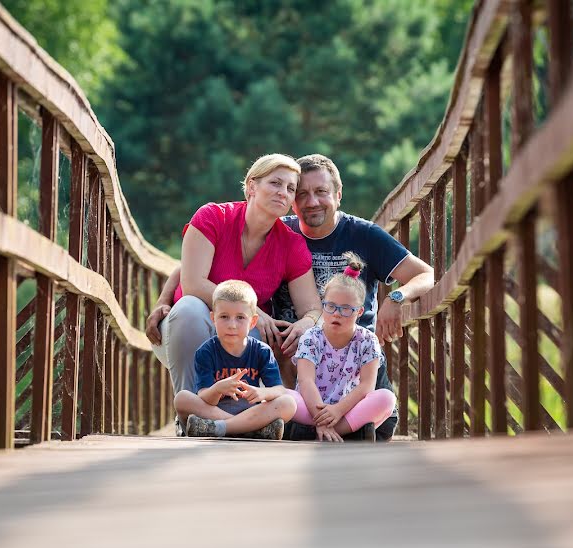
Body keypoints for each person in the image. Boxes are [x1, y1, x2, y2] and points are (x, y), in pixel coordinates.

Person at [273, 154, 436, 442]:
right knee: (281, 350)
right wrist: (165, 300)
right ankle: (320, 423)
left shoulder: (364, 235)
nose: (312, 201)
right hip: (296, 359)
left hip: (354, 362)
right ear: (292, 199)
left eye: (321, 192)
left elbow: (425, 274)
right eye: (302, 194)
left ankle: (319, 426)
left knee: (383, 416)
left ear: (338, 194)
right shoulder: (277, 230)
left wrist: (396, 297)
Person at [149, 154, 322, 399]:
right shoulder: (212, 217)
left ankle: (231, 416)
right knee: (189, 308)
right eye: (275, 183)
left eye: (291, 188)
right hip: (183, 333)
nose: (283, 192)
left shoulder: (291, 245)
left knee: (247, 329)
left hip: (240, 337)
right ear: (252, 186)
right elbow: (191, 282)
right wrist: (256, 312)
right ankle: (190, 412)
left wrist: (306, 322)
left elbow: (313, 308)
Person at [288, 254, 396, 442]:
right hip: (311, 407)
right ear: (323, 305)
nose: (336, 314)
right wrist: (321, 419)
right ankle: (343, 432)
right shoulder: (311, 337)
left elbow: (366, 386)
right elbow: (306, 382)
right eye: (330, 306)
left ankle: (319, 432)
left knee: (386, 399)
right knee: (284, 399)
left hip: (347, 409)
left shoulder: (367, 340)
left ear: (360, 312)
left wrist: (338, 410)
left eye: (346, 309)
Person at [174, 280, 297, 440]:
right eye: (224, 317)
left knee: (288, 403)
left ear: (253, 321)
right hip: (215, 412)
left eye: (240, 317)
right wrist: (218, 389)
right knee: (182, 399)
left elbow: (278, 389)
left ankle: (220, 428)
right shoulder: (206, 352)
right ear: (213, 318)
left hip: (251, 411)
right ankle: (249, 430)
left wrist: (262, 393)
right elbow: (204, 396)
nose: (232, 325)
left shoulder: (262, 351)